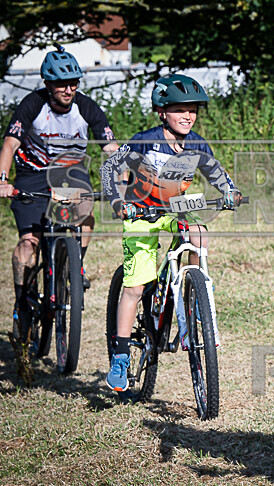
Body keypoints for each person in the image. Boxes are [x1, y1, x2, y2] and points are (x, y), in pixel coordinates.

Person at [100, 73, 242, 392]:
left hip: (176, 207)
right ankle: (121, 356)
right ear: (162, 111)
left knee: (199, 233)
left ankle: (194, 293)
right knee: (135, 288)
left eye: (192, 109)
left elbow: (218, 174)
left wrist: (231, 191)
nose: (188, 115)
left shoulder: (196, 143)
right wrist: (117, 201)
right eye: (180, 109)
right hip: (142, 213)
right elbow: (109, 169)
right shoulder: (145, 141)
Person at [0, 45, 119, 352]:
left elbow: (109, 146)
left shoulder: (86, 106)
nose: (70, 89)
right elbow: (10, 144)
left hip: (70, 174)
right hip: (32, 177)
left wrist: (124, 176)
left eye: (74, 82)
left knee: (86, 210)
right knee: (29, 244)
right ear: (47, 84)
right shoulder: (32, 104)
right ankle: (22, 300)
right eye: (62, 84)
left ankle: (73, 268)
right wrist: (2, 179)